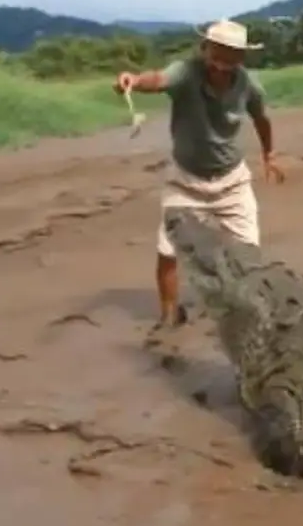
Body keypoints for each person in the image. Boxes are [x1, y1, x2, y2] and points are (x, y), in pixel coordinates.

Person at [113, 19, 284, 334]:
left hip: (232, 181)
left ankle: (249, 317)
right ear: (205, 49)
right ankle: (168, 317)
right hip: (185, 180)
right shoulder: (186, 72)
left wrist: (269, 154)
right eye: (216, 55)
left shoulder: (248, 85)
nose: (220, 65)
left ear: (241, 59)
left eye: (230, 58)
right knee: (167, 251)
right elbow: (159, 79)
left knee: (248, 253)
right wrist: (134, 81)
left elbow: (262, 118)